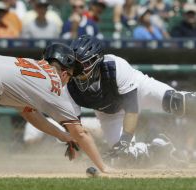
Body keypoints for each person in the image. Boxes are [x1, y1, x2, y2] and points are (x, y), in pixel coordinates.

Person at [0, 43, 111, 173]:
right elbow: (81, 133)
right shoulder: (55, 85)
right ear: (65, 73)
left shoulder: (30, 68)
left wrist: (64, 136)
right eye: (71, 76)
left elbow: (30, 114)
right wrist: (103, 167)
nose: (69, 81)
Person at [66, 35, 196, 164]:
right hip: (109, 112)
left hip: (138, 90)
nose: (79, 70)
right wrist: (75, 142)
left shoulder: (115, 66)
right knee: (124, 160)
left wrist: (125, 141)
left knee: (177, 101)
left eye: (85, 64)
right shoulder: (68, 84)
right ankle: (158, 148)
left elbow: (131, 108)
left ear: (97, 60)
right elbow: (74, 125)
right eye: (75, 65)